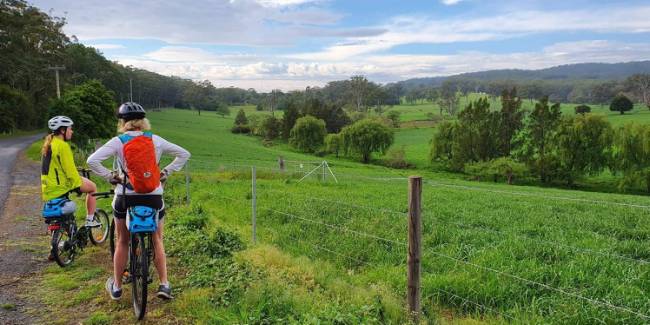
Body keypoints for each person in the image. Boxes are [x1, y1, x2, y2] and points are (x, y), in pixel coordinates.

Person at [87, 102, 190, 300]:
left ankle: (116, 287)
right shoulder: (155, 140)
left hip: (125, 196)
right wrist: (165, 172)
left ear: (123, 122)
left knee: (122, 241)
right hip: (153, 195)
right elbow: (184, 154)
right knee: (157, 239)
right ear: (143, 121)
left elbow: (92, 160)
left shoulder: (119, 141)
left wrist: (111, 176)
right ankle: (164, 284)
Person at [41, 116, 100, 228]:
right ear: (63, 130)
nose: (71, 131)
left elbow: (57, 167)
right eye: (70, 129)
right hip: (61, 185)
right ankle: (90, 220)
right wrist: (78, 186)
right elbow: (70, 172)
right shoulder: (63, 146)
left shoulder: (49, 143)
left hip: (48, 187)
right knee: (93, 188)